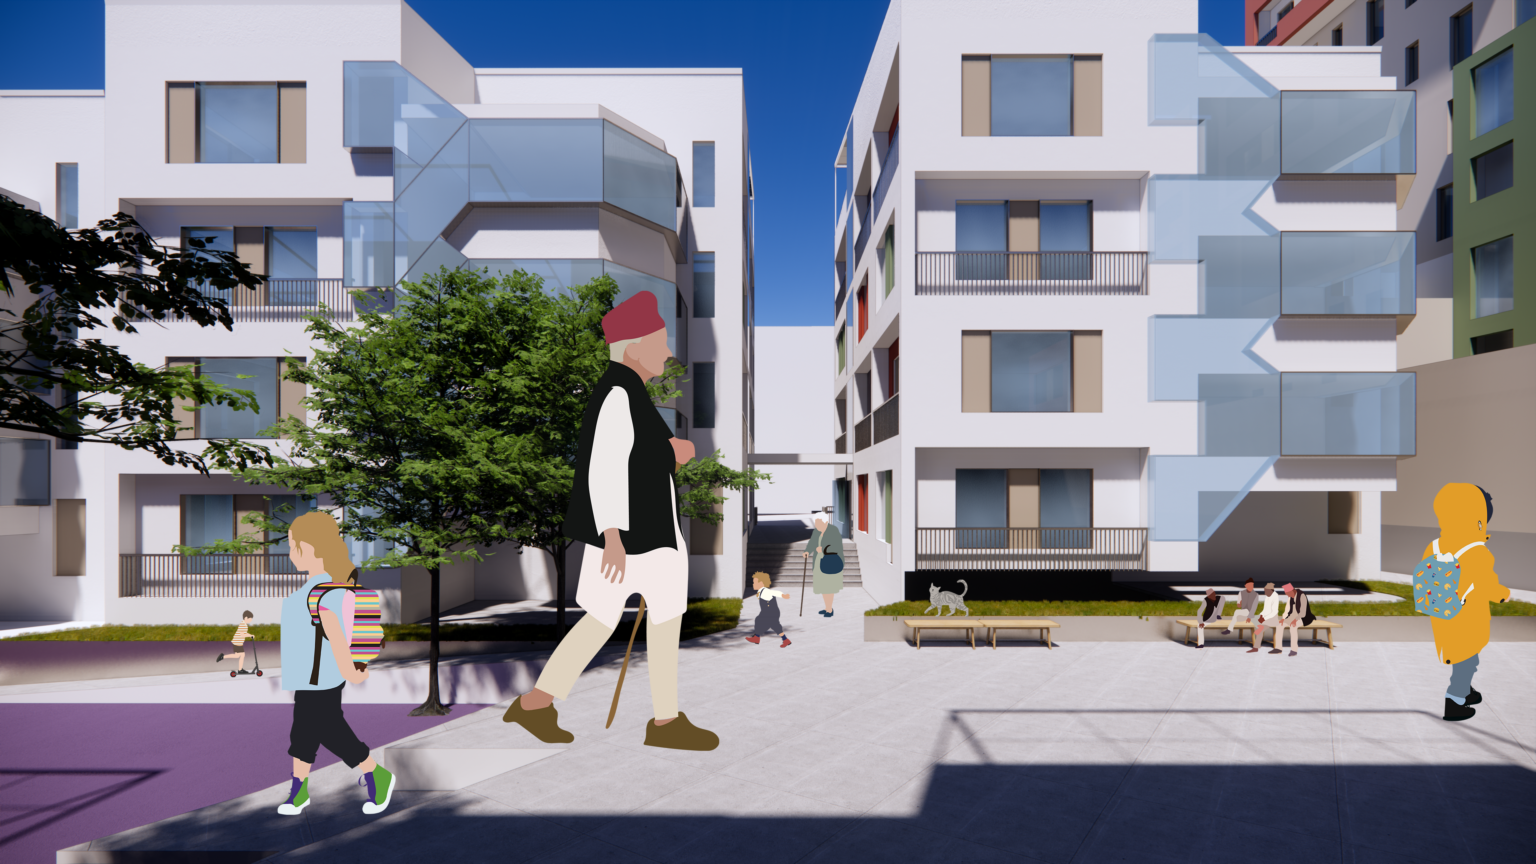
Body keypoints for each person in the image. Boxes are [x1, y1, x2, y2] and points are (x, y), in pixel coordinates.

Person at [504, 291, 719, 751]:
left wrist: (671, 454)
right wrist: (613, 537)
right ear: (635, 346)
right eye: (660, 342)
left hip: (652, 536)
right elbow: (605, 466)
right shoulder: (618, 395)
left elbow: (644, 459)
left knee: (659, 621)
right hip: (627, 539)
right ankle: (536, 704)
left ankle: (663, 721)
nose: (666, 351)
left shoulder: (632, 395)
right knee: (605, 621)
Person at [277, 511, 394, 816]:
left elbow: (336, 637)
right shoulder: (313, 591)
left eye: (293, 545)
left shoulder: (324, 593)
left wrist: (351, 673)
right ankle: (300, 791)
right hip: (307, 678)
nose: (290, 553)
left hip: (323, 678)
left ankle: (375, 774)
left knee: (328, 730)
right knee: (304, 732)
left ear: (310, 548)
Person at [1423, 483, 1511, 722]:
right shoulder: (1478, 552)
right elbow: (1487, 584)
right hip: (1467, 618)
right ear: (1479, 521)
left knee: (1463, 657)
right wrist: (1503, 594)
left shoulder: (1434, 546)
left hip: (1442, 613)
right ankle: (1455, 700)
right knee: (1467, 659)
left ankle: (1465, 689)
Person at [801, 511, 844, 617]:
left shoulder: (833, 530)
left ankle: (829, 609)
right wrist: (807, 551)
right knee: (823, 587)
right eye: (816, 523)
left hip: (831, 562)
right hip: (819, 562)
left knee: (829, 587)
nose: (816, 525)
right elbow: (812, 542)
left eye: (818, 523)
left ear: (825, 522)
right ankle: (827, 607)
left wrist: (823, 550)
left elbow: (837, 546)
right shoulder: (817, 531)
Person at [745, 571, 792, 647]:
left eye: (755, 582)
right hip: (768, 611)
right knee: (773, 625)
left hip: (770, 612)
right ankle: (785, 640)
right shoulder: (761, 591)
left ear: (761, 583)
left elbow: (775, 592)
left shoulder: (766, 591)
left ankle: (757, 637)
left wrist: (783, 595)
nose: (753, 584)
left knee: (761, 621)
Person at [1247, 582, 1286, 654]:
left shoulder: (1275, 596)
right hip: (1266, 617)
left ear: (1271, 590)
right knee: (1255, 619)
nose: (1265, 592)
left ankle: (1256, 647)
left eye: (1266, 591)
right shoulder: (1267, 596)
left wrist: (1264, 619)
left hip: (1272, 618)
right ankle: (1258, 639)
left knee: (1261, 628)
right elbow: (1265, 609)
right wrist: (1261, 615)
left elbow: (1274, 611)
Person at [1279, 583, 1314, 656]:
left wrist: (1295, 620)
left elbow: (1303, 612)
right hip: (1291, 616)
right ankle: (1278, 648)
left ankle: (1294, 650)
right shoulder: (1290, 597)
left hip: (1302, 618)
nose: (1287, 595)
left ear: (1292, 591)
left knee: (1293, 627)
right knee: (1279, 625)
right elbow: (1287, 609)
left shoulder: (1302, 595)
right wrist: (1283, 618)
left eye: (1287, 593)